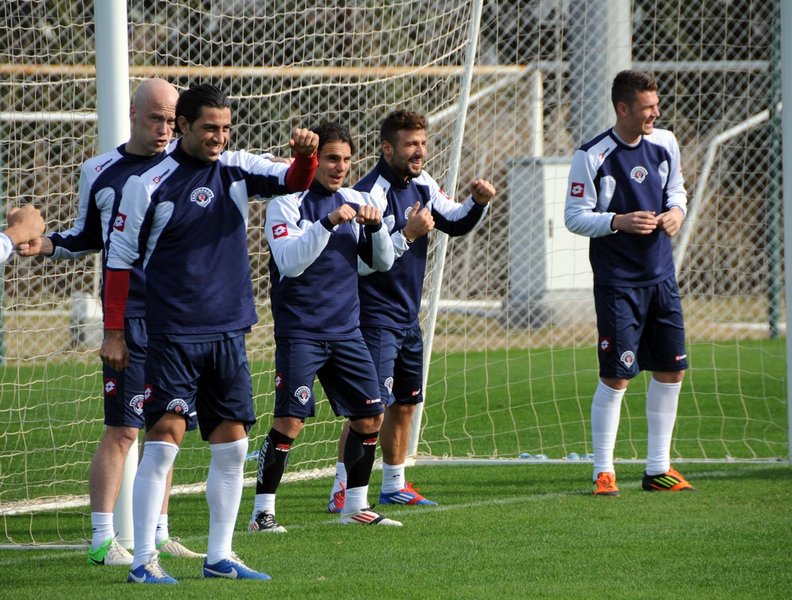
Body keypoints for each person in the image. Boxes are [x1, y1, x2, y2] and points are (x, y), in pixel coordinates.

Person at [99, 83, 318, 584]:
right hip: (172, 334)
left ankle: (220, 556)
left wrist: (305, 157)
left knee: (234, 445)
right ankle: (143, 561)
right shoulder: (147, 183)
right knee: (164, 441)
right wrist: (114, 332)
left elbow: (292, 179)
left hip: (228, 332)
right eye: (209, 128)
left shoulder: (237, 168)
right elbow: (119, 260)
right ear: (183, 126)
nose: (219, 137)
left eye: (225, 128)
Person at [19, 78, 203, 565]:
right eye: (156, 118)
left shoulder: (187, 166)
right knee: (123, 429)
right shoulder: (99, 171)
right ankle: (102, 539)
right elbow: (87, 236)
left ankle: (159, 533)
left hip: (179, 320)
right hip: (130, 319)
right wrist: (47, 244)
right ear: (134, 114)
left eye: (172, 121)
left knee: (167, 427)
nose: (165, 129)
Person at [326, 110, 496, 513]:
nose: (420, 151)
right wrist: (408, 233)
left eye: (422, 143)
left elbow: (454, 221)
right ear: (388, 148)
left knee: (405, 403)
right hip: (374, 317)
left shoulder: (423, 183)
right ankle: (341, 489)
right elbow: (364, 262)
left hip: (406, 316)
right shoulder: (368, 194)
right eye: (410, 144)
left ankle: (394, 485)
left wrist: (478, 203)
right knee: (369, 408)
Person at [249, 121, 399, 533]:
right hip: (301, 332)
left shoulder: (358, 200)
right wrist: (328, 223)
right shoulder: (286, 202)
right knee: (290, 422)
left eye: (347, 160)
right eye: (332, 158)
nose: (340, 167)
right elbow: (290, 262)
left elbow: (381, 263)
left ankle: (356, 505)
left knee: (370, 417)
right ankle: (262, 513)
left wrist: (376, 228)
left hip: (347, 332)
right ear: (313, 160)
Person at [563, 69, 695, 496]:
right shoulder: (592, 155)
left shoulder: (665, 142)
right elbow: (574, 217)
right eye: (647, 107)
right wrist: (618, 221)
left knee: (671, 370)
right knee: (617, 376)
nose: (655, 113)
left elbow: (677, 189)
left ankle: (658, 468)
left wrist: (676, 212)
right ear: (623, 109)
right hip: (618, 282)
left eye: (656, 105)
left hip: (661, 277)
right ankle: (604, 471)